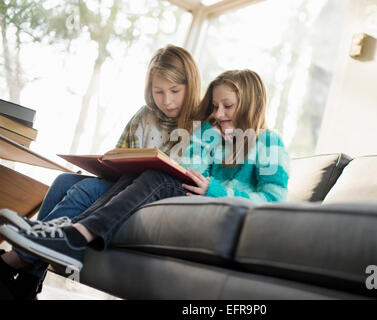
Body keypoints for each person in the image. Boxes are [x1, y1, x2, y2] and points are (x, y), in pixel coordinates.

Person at [0, 69, 289, 295]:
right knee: (136, 174)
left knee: (157, 176)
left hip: (206, 202)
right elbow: (190, 169)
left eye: (227, 106)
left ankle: (70, 238)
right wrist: (205, 136)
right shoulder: (215, 136)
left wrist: (215, 190)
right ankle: (68, 236)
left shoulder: (268, 141)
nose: (218, 114)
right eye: (215, 106)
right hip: (189, 199)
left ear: (251, 104)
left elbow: (275, 199)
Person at [0, 44, 201, 299]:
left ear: (190, 85)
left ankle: (15, 261)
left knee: (83, 190)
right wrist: (107, 162)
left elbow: (183, 171)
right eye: (158, 91)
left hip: (143, 191)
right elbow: (121, 153)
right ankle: (30, 279)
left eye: (175, 91)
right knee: (63, 180)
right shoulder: (144, 115)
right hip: (119, 181)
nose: (167, 100)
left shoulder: (198, 123)